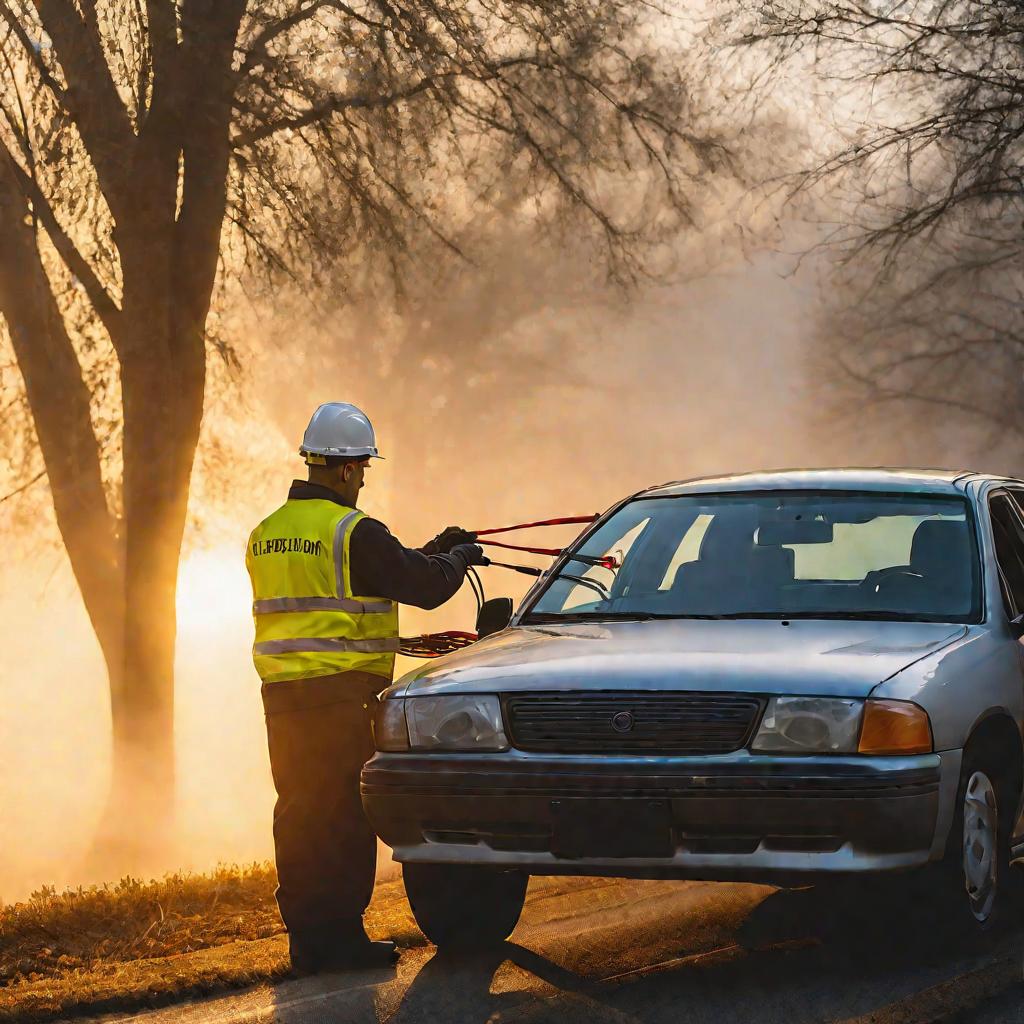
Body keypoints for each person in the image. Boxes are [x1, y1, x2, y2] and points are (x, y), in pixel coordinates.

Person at [245, 401, 485, 973]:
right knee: (348, 819)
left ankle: (308, 941)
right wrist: (456, 557)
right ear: (351, 469)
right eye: (364, 471)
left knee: (300, 816)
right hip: (342, 701)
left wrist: (431, 553)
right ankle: (344, 941)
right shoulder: (353, 531)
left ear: (312, 460)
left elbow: (384, 572)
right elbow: (421, 586)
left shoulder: (267, 533)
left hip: (283, 701)